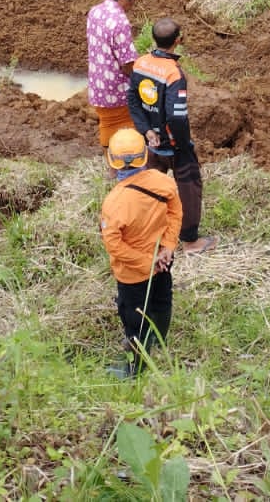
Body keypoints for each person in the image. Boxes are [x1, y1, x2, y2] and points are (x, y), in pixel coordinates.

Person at [128, 18, 216, 253]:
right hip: (171, 143)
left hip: (151, 141)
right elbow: (176, 116)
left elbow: (133, 102)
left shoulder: (140, 64)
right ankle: (190, 241)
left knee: (148, 187)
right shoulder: (174, 74)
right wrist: (182, 144)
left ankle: (146, 234)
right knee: (189, 185)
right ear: (178, 40)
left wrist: (146, 131)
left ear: (154, 39)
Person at [100, 128, 180, 379]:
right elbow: (175, 213)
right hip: (163, 261)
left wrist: (147, 262)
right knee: (161, 300)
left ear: (112, 164)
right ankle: (159, 341)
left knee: (135, 319)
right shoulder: (164, 181)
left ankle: (135, 370)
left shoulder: (114, 203)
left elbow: (115, 246)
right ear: (145, 156)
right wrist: (167, 248)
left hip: (133, 274)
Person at [86, 0, 144, 149]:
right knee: (129, 128)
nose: (133, 5)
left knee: (107, 124)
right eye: (133, 0)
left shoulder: (95, 11)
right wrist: (141, 79)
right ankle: (125, 161)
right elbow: (127, 64)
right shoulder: (120, 22)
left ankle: (110, 164)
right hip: (116, 89)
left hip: (98, 83)